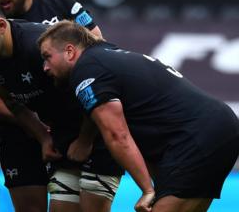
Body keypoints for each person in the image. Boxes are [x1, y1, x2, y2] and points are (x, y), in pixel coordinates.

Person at [37, 20, 239, 212]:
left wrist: (147, 190)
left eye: (47, 57)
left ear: (70, 52)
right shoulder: (105, 56)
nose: (45, 67)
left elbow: (118, 135)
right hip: (214, 129)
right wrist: (85, 139)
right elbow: (97, 115)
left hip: (198, 136)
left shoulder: (87, 70)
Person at [0, 0, 123, 212]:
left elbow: (96, 87)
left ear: (0, 26)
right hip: (62, 132)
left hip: (95, 129)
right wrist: (43, 136)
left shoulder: (37, 46)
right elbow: (11, 100)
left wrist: (85, 139)